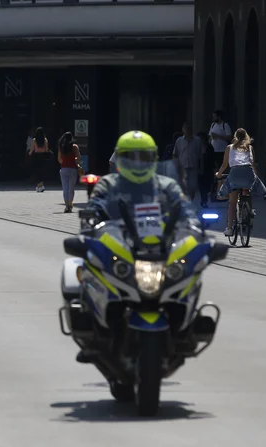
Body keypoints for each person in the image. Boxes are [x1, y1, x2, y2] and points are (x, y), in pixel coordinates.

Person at [76, 130, 200, 364]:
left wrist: (195, 226)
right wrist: (91, 223)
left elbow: (184, 209)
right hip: (124, 246)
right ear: (120, 159)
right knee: (89, 269)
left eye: (143, 157)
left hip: (159, 245)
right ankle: (92, 333)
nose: (137, 163)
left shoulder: (166, 185)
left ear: (153, 159)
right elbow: (95, 210)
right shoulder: (108, 184)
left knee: (187, 275)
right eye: (130, 157)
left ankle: (184, 330)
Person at [216, 128, 266, 236]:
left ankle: (230, 228)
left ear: (235, 137)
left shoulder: (229, 148)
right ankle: (249, 211)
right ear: (246, 137)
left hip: (235, 174)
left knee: (232, 201)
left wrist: (219, 174)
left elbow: (224, 165)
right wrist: (256, 176)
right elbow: (253, 164)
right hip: (248, 172)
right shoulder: (250, 147)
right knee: (247, 190)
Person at [173, 122, 204, 200]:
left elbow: (201, 155)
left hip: (193, 166)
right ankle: (184, 201)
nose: (187, 130)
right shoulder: (179, 141)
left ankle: (190, 201)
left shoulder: (197, 140)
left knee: (192, 187)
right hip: (182, 166)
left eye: (189, 128)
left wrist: (202, 167)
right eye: (185, 128)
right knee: (182, 186)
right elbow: (175, 154)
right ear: (183, 130)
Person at [57, 132, 82, 213]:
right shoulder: (74, 147)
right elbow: (78, 158)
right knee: (71, 189)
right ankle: (70, 204)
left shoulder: (61, 146)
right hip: (72, 169)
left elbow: (59, 159)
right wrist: (74, 160)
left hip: (63, 169)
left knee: (65, 188)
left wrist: (64, 161)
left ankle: (67, 205)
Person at [197, 131, 215, 208]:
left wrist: (215, 167)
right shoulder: (196, 148)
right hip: (199, 168)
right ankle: (204, 200)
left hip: (208, 168)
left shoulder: (209, 147)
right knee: (202, 186)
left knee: (208, 185)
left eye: (202, 138)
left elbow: (213, 158)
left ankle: (205, 198)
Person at [29, 127, 50, 192]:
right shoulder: (45, 140)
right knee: (42, 171)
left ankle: (40, 185)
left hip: (36, 157)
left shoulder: (34, 140)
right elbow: (46, 150)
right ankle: (40, 186)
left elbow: (32, 149)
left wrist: (29, 153)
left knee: (37, 171)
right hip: (43, 156)